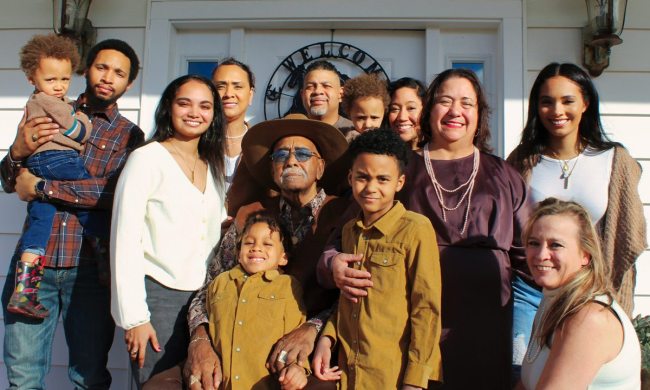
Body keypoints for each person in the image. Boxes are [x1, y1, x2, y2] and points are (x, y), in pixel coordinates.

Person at [319, 68, 530, 389]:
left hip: (484, 333)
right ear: (429, 109)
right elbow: (339, 241)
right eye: (445, 101)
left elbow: (530, 257)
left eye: (466, 103)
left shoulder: (503, 174)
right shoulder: (397, 168)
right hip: (402, 336)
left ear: (479, 114)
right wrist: (333, 265)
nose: (455, 111)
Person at [140, 114, 349, 389]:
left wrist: (311, 330)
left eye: (302, 153)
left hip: (309, 355)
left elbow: (349, 295)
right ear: (272, 168)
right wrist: (200, 341)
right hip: (232, 344)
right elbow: (208, 288)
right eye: (281, 154)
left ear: (320, 167)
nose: (291, 160)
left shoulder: (342, 215)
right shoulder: (250, 215)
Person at [1, 39, 144, 389]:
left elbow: (111, 193)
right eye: (102, 67)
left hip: (89, 271)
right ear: (86, 69)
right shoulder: (46, 106)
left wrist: (42, 188)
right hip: (35, 265)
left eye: (119, 73)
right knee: (23, 376)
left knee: (89, 377)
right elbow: (10, 181)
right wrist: (16, 152)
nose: (108, 77)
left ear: (129, 83)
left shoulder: (130, 136)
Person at [507, 62, 647, 380]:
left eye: (567, 100)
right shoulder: (521, 161)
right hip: (533, 293)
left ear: (585, 103)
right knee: (525, 375)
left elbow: (629, 240)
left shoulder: (615, 161)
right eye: (546, 101)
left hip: (594, 289)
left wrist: (611, 303)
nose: (556, 110)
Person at [110, 74, 227, 387]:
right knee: (157, 384)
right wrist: (135, 317)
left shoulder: (212, 165)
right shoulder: (146, 159)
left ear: (214, 115)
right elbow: (125, 239)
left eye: (205, 106)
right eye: (184, 103)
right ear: (168, 108)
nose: (194, 112)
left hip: (205, 300)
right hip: (159, 297)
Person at [312, 129, 442, 389]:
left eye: (383, 179)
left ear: (399, 183)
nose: (371, 187)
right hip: (348, 372)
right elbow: (348, 300)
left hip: (391, 374)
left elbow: (426, 309)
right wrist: (327, 339)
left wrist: (415, 380)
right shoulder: (350, 230)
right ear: (350, 178)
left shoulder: (416, 229)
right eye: (362, 177)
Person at [7, 33, 95, 319]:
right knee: (86, 191)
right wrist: (82, 120)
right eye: (51, 80)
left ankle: (24, 291)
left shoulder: (38, 101)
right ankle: (100, 243)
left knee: (40, 222)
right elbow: (77, 131)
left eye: (65, 80)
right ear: (32, 78)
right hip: (57, 159)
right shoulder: (51, 102)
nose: (58, 87)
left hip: (38, 164)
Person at [518, 198, 641, 389]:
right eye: (534, 243)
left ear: (585, 254)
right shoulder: (552, 300)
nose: (541, 254)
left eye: (555, 245)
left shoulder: (589, 318)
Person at [207, 211, 308, 390]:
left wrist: (298, 368)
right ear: (238, 253)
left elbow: (296, 332)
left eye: (267, 244)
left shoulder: (287, 286)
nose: (256, 248)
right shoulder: (220, 283)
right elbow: (210, 332)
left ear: (283, 257)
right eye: (249, 243)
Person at [211, 58, 255, 190]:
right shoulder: (197, 143)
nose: (229, 94)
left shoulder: (262, 146)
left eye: (238, 86)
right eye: (220, 86)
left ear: (250, 95)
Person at [300, 60, 353, 130]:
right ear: (302, 95)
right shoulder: (288, 132)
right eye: (310, 87)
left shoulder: (355, 134)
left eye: (326, 86)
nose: (317, 91)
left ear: (341, 94)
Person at [339, 72, 390, 142]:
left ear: (383, 113)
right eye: (361, 118)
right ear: (349, 113)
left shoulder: (388, 142)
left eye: (374, 117)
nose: (368, 124)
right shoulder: (341, 142)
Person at [387, 77, 426, 149]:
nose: (402, 117)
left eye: (411, 108)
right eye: (395, 109)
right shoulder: (377, 156)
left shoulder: (438, 156)